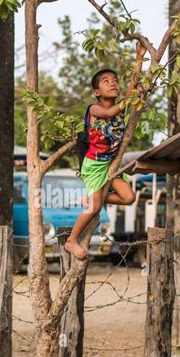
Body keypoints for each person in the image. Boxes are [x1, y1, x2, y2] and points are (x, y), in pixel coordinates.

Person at [65, 69, 137, 260]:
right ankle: (72, 240)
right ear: (97, 92)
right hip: (95, 165)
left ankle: (93, 198)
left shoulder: (122, 109)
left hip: (111, 164)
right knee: (95, 208)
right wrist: (132, 99)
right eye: (106, 82)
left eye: (115, 80)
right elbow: (110, 111)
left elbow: (130, 92)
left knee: (129, 197)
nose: (113, 83)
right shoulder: (94, 109)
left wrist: (139, 59)